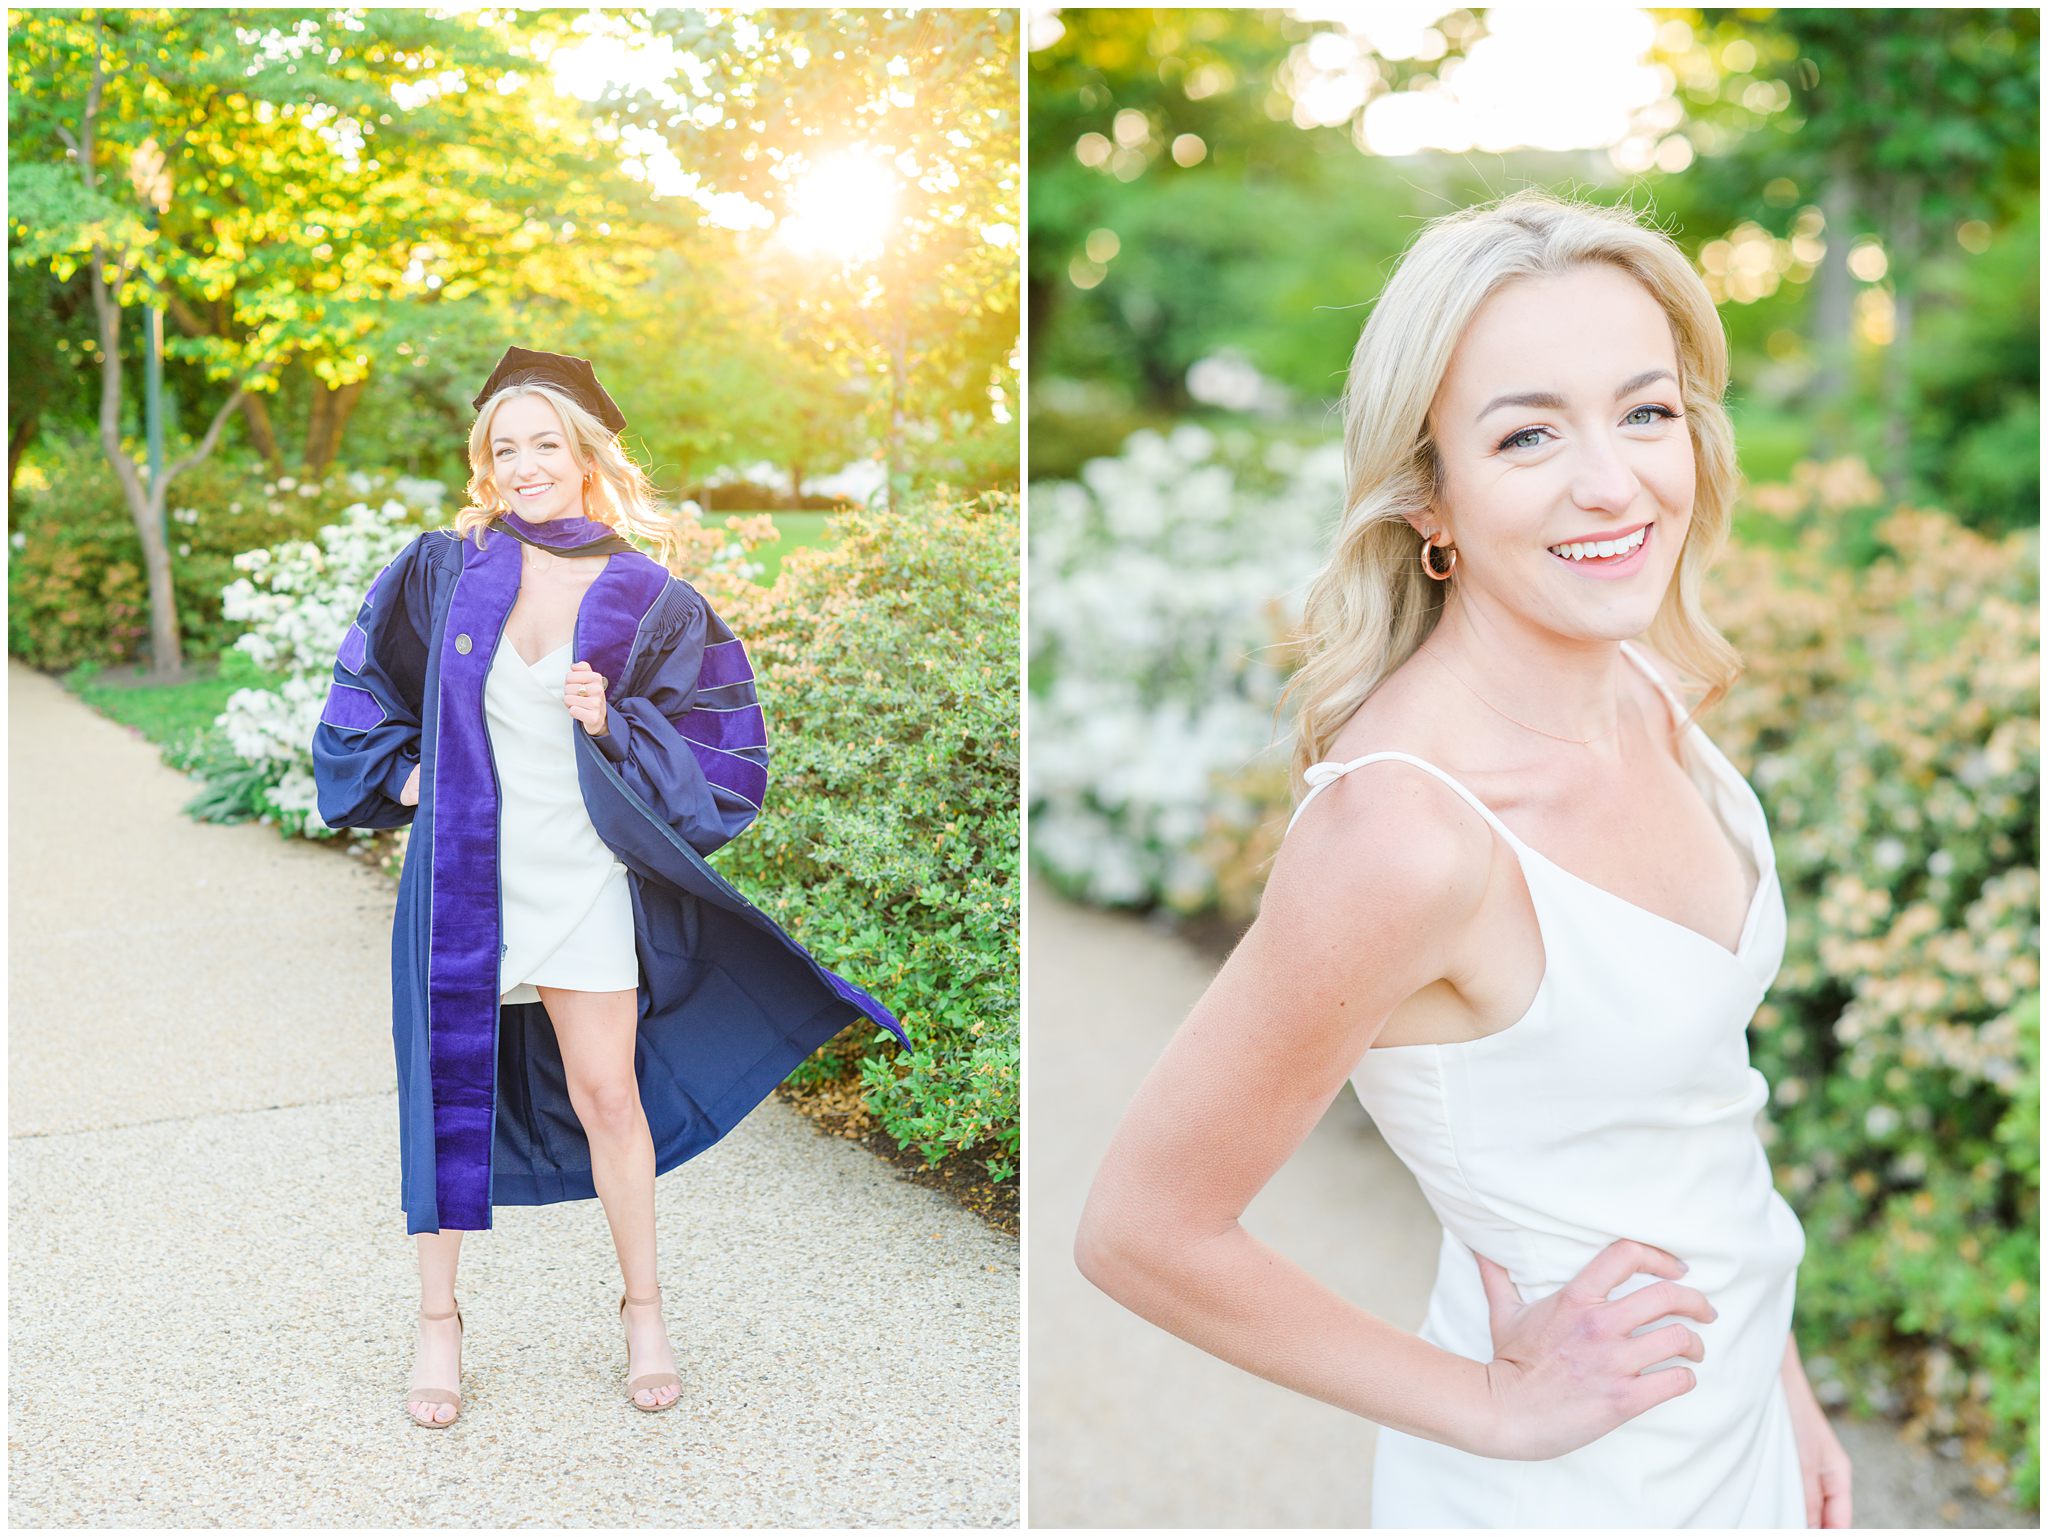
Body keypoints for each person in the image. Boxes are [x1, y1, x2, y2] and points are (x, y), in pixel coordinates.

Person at [1073, 192, 1853, 1528]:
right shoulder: (1406, 834)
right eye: (1528, 432)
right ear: (1430, 493)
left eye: (1646, 410)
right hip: (1577, 1489)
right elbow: (1141, 1230)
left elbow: (1695, 1114)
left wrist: (1779, 1380)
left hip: (1733, 1433)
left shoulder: (1646, 686)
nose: (1613, 480)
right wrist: (1492, 1405)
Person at [311, 345, 907, 1428]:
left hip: (581, 878)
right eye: (506, 447)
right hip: (462, 882)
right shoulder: (445, 567)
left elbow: (724, 754)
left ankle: (644, 1311)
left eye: (546, 442)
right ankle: (436, 1328)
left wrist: (609, 719)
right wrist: (402, 776)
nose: (525, 463)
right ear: (485, 465)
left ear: (586, 455)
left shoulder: (646, 593)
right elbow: (363, 695)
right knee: (441, 1096)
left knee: (607, 1095)